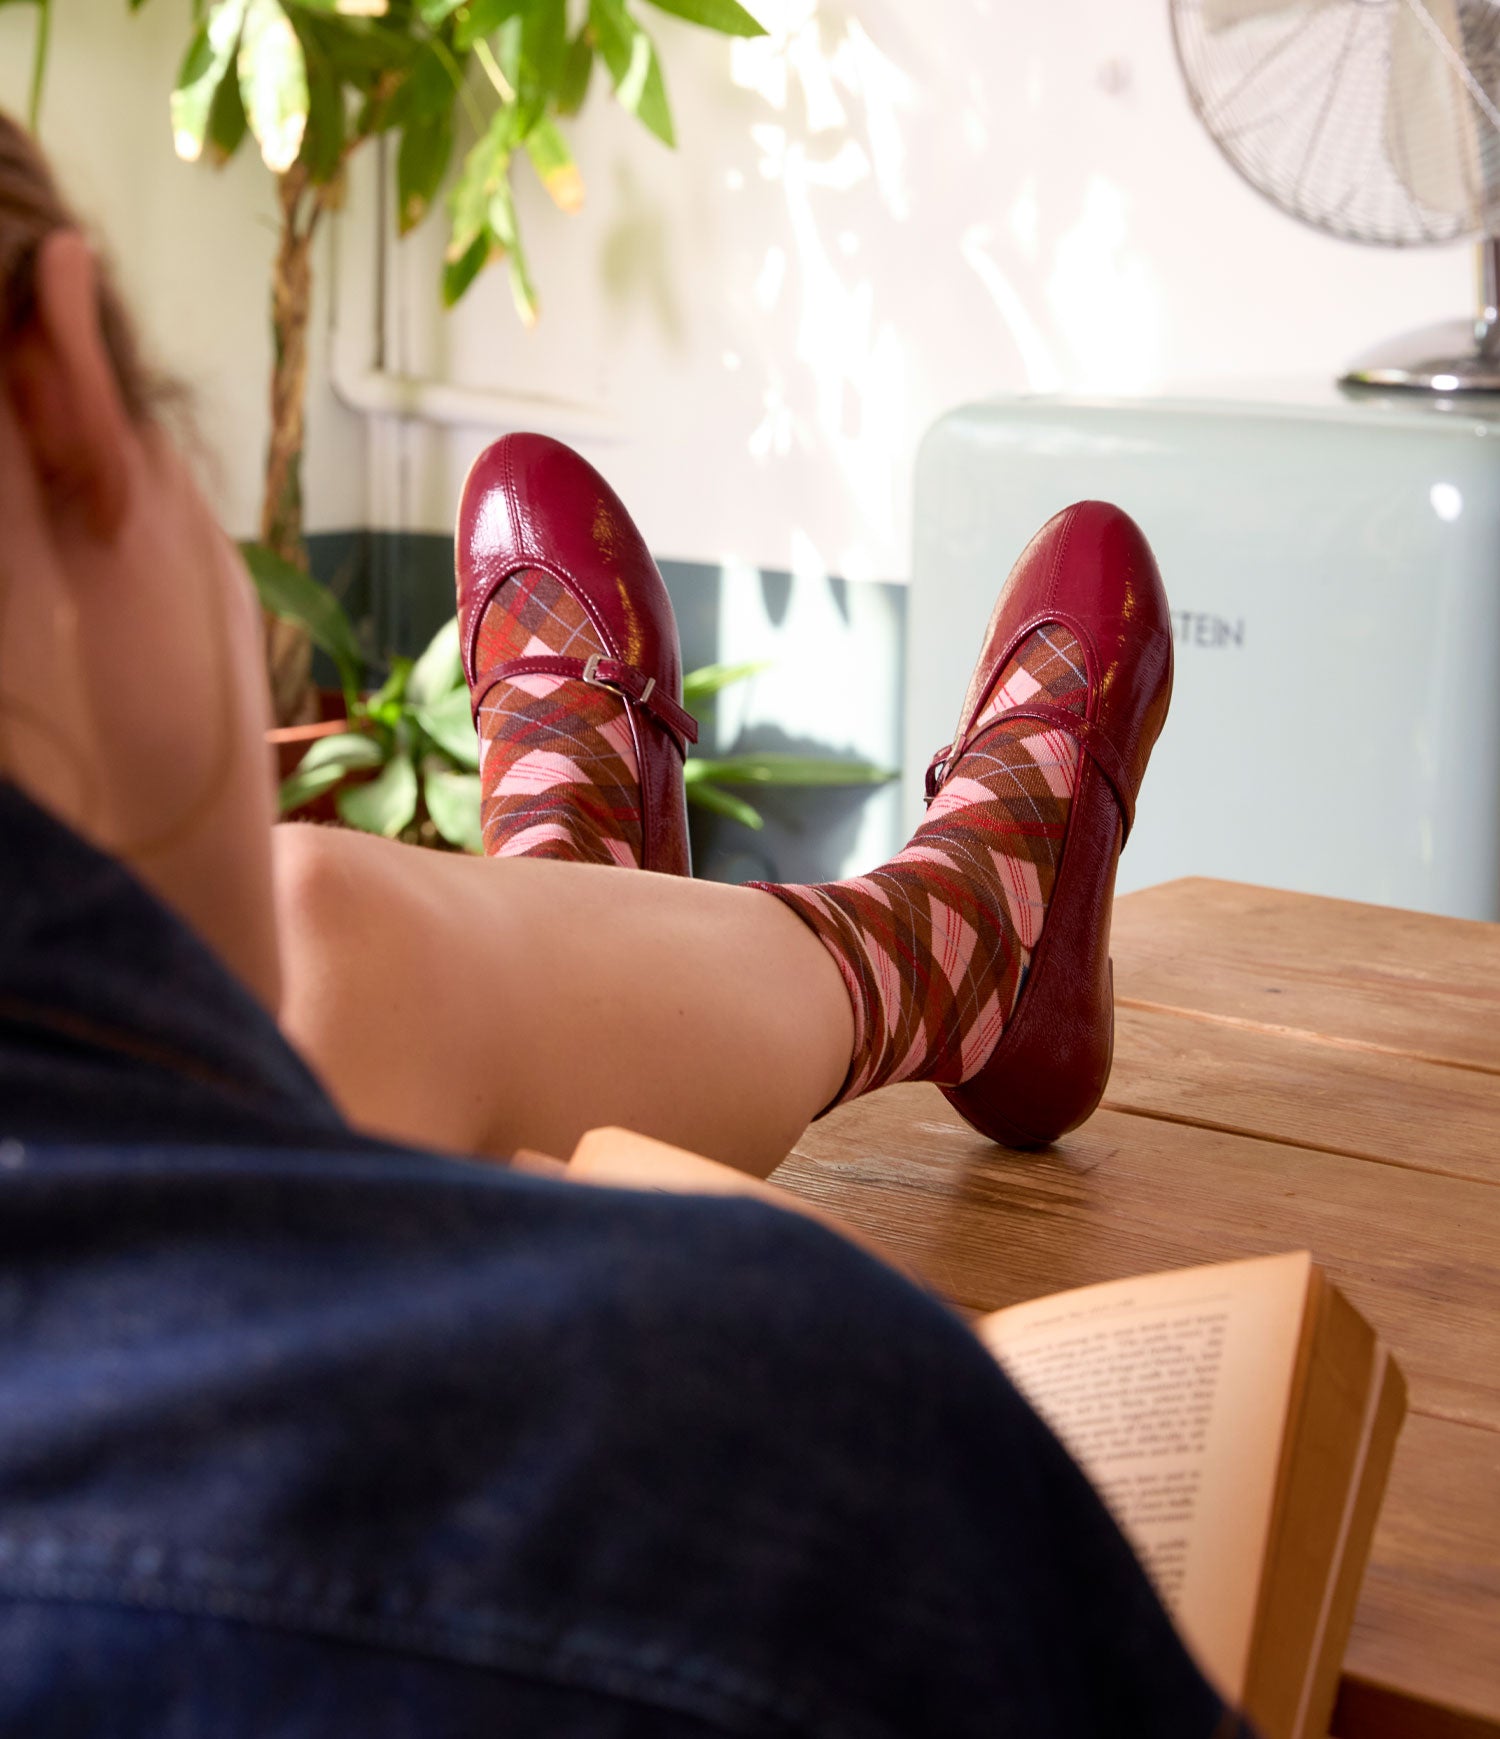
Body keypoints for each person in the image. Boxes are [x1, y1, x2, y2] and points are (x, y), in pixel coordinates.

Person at [0, 110, 1240, 1736]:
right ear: (64, 393)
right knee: (328, 931)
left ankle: (600, 874)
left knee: (331, 933)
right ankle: (960, 936)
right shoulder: (778, 1443)